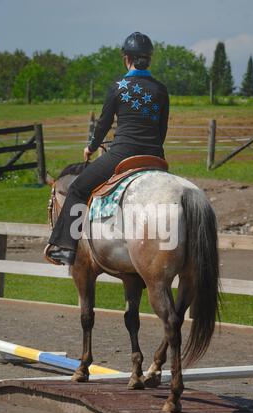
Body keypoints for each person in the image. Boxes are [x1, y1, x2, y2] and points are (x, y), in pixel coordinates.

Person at [46, 32, 170, 265]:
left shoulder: (118, 87)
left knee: (78, 189)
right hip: (155, 157)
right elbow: (161, 130)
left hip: (122, 154)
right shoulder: (161, 89)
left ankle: (65, 248)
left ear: (126, 59)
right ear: (149, 59)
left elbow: (103, 124)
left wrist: (91, 147)